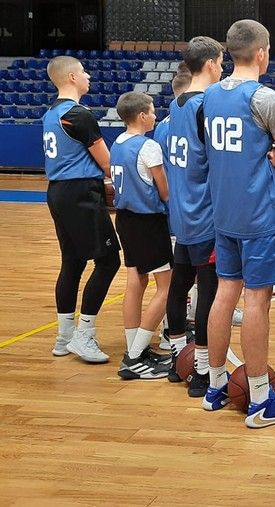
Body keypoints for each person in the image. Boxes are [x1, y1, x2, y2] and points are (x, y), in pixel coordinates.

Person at [201, 20, 275, 427]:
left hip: (223, 211)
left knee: (224, 293)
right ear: (261, 52)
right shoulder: (266, 97)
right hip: (258, 213)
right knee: (257, 301)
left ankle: (214, 387)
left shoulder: (210, 94)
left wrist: (267, 155)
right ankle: (260, 399)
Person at [43, 55, 121, 364]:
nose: (88, 76)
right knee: (109, 261)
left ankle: (64, 337)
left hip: (58, 191)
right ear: (72, 77)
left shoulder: (50, 113)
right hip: (81, 193)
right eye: (84, 72)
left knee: (72, 262)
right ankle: (84, 334)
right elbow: (107, 162)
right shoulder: (78, 115)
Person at [162, 36, 224, 395]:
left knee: (179, 286)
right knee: (209, 293)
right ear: (212, 63)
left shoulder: (176, 105)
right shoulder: (206, 106)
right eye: (221, 61)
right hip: (204, 214)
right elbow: (218, 160)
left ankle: (176, 360)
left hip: (181, 213)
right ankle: (201, 371)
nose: (222, 68)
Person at [109, 91, 173, 380]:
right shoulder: (148, 146)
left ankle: (135, 346)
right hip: (147, 221)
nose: (156, 115)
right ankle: (134, 356)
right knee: (167, 287)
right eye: (152, 111)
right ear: (142, 116)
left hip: (125, 219)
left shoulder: (118, 143)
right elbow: (165, 191)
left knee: (136, 281)